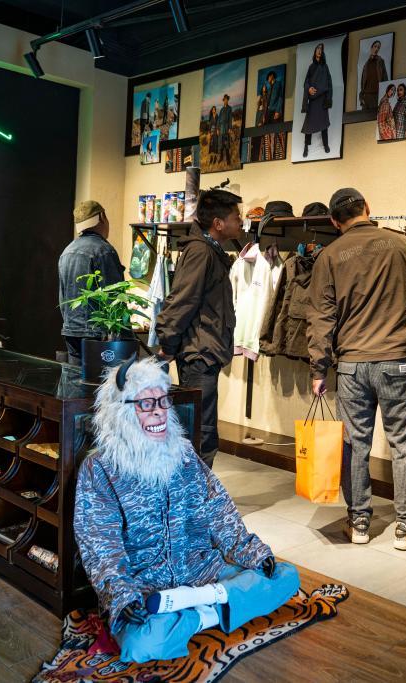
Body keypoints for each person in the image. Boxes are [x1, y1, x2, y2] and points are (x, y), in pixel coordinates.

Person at [74, 356, 299, 664]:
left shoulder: (184, 455)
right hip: (145, 587)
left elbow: (219, 511)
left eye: (163, 401)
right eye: (146, 404)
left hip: (200, 571)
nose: (159, 411)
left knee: (287, 577)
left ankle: (196, 606)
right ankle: (218, 606)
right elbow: (100, 546)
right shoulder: (99, 469)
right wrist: (122, 595)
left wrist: (253, 553)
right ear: (120, 412)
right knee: (140, 644)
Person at [308, 188, 406, 550]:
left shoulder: (329, 256)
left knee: (355, 445)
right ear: (367, 208)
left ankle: (358, 523)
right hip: (397, 362)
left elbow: (321, 317)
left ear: (334, 221)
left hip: (351, 367)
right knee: (403, 445)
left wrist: (318, 370)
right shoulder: (402, 244)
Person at [155, 189, 243, 469]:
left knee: (200, 429)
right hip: (199, 354)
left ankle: (197, 488)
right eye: (236, 217)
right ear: (218, 223)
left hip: (205, 351)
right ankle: (195, 491)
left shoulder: (210, 251)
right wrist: (168, 343)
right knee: (199, 432)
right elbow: (183, 299)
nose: (240, 222)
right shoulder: (201, 252)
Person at [58, 200, 125, 365]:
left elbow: (63, 298)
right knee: (100, 379)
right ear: (102, 217)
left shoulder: (67, 251)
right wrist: (126, 338)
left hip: (71, 331)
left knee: (75, 377)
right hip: (98, 335)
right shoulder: (104, 250)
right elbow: (115, 299)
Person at [301, 43, 333, 158]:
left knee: (324, 123)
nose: (319, 50)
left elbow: (329, 83)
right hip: (313, 100)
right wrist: (309, 88)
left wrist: (328, 99)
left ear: (322, 52)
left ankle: (326, 145)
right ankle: (306, 146)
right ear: (315, 52)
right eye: (318, 49)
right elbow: (306, 82)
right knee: (308, 125)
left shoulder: (325, 67)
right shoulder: (311, 67)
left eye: (321, 49)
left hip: (322, 99)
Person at [359, 40, 389, 109]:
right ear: (371, 48)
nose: (376, 49)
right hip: (366, 96)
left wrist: (385, 95)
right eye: (375, 46)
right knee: (365, 115)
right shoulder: (366, 64)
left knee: (376, 114)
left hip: (376, 95)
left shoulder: (380, 61)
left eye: (378, 47)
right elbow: (362, 82)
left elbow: (385, 78)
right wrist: (362, 97)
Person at [218, 94, 234, 166]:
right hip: (221, 128)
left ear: (228, 100)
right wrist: (218, 129)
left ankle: (228, 160)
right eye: (224, 99)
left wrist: (230, 128)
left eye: (227, 99)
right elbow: (219, 120)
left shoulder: (229, 108)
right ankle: (221, 157)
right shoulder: (221, 109)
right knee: (221, 144)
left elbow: (230, 119)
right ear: (223, 100)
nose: (225, 101)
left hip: (226, 127)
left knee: (227, 144)